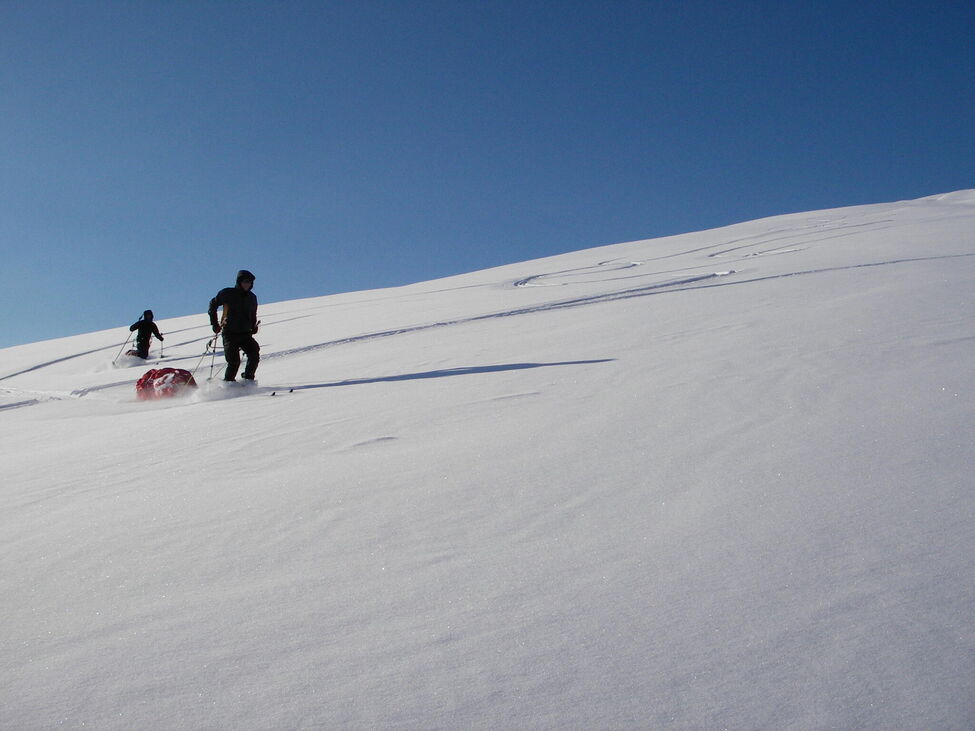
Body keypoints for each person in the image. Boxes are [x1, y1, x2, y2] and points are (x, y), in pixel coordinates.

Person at [208, 269, 260, 381]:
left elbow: (253, 314)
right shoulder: (227, 293)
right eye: (245, 281)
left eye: (250, 282)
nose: (248, 284)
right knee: (234, 361)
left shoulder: (252, 297)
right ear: (239, 282)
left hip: (245, 333)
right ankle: (228, 384)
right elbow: (213, 305)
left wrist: (253, 326)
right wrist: (214, 324)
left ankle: (248, 380)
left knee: (254, 354)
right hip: (230, 333)